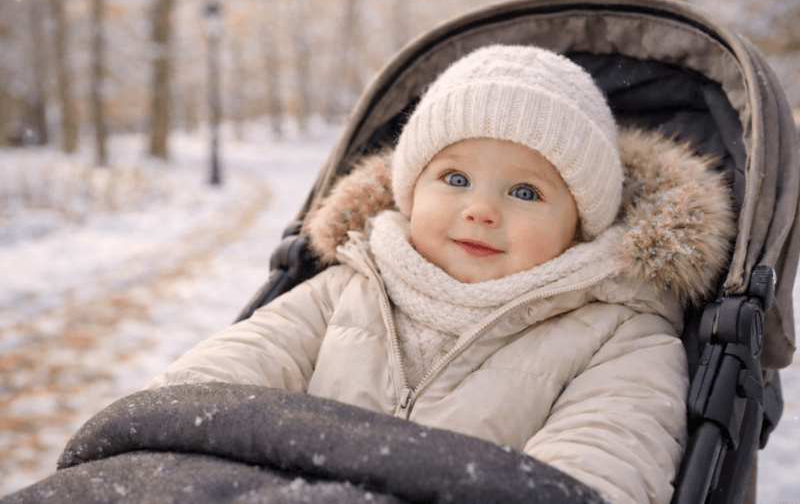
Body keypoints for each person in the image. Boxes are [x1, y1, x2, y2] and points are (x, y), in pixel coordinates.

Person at [145, 45, 735, 504]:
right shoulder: (348, 285)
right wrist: (156, 438)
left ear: (579, 226)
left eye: (525, 191)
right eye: (455, 179)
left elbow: (605, 459)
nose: (481, 209)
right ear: (408, 192)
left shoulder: (619, 336)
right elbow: (229, 369)